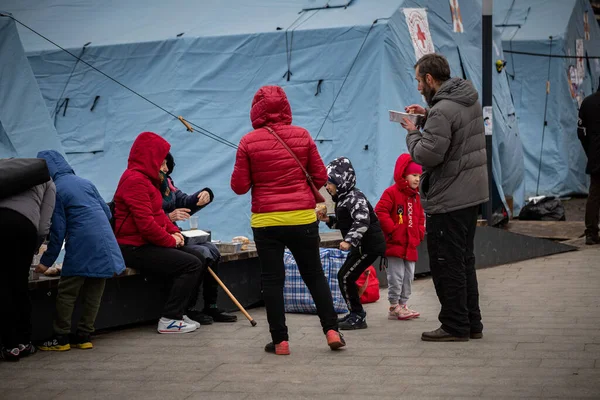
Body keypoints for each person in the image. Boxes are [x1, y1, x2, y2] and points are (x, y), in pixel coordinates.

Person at [231, 85, 345, 355]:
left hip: (266, 222)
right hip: (302, 220)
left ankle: (280, 341)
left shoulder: (248, 141)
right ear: (285, 107)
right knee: (314, 275)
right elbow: (320, 177)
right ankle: (331, 330)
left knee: (272, 280)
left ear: (256, 109)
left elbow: (239, 186)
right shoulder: (303, 135)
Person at [401, 53, 488, 342]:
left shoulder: (442, 110)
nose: (418, 88)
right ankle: (471, 322)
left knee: (446, 262)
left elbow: (428, 154)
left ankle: (454, 325)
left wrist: (413, 132)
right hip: (470, 192)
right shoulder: (467, 98)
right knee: (463, 260)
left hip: (448, 196)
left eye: (418, 81)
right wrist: (426, 116)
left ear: (429, 79)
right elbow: (455, 127)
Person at [33, 150, 125, 351]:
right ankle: (84, 336)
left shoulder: (56, 189)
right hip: (106, 244)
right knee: (94, 292)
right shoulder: (85, 182)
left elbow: (58, 231)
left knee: (67, 291)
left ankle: (61, 338)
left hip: (82, 244)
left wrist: (45, 262)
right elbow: (108, 212)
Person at [114, 131, 205, 334]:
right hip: (132, 246)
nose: (165, 169)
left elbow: (159, 215)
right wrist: (170, 241)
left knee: (198, 257)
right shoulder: (134, 181)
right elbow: (146, 225)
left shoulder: (148, 181)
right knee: (190, 264)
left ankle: (181, 312)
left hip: (144, 243)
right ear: (151, 160)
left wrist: (175, 232)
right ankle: (170, 318)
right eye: (162, 164)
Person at [160, 152, 237, 324]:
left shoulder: (168, 184)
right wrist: (168, 217)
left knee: (212, 249)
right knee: (200, 254)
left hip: (173, 232)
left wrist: (203, 195)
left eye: (167, 165)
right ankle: (190, 307)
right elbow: (146, 216)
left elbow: (184, 202)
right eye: (162, 164)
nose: (165, 169)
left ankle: (211, 305)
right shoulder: (146, 185)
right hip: (160, 237)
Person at [320, 157, 386, 330]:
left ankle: (358, 316)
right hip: (362, 246)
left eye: (329, 183)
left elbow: (361, 222)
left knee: (346, 276)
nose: (327, 187)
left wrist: (349, 241)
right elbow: (345, 223)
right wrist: (328, 220)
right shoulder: (343, 199)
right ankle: (354, 313)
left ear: (340, 181)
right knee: (345, 276)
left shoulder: (354, 197)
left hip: (368, 247)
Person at [0, 175, 55, 361]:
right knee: (19, 285)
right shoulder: (47, 181)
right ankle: (24, 342)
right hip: (24, 226)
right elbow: (44, 223)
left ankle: (9, 345)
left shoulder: (9, 176)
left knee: (3, 285)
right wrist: (34, 245)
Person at [375, 154, 425, 320]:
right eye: (414, 175)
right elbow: (380, 211)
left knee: (409, 276)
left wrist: (418, 234)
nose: (417, 179)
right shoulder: (391, 193)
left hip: (410, 245)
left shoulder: (416, 197)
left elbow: (420, 218)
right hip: (394, 245)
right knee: (396, 276)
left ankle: (403, 304)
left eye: (419, 175)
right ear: (403, 175)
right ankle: (394, 305)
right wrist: (392, 230)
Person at [577, 81, 600, 245]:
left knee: (594, 195)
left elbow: (580, 131)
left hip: (596, 156)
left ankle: (591, 233)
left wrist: (589, 150)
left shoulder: (588, 102)